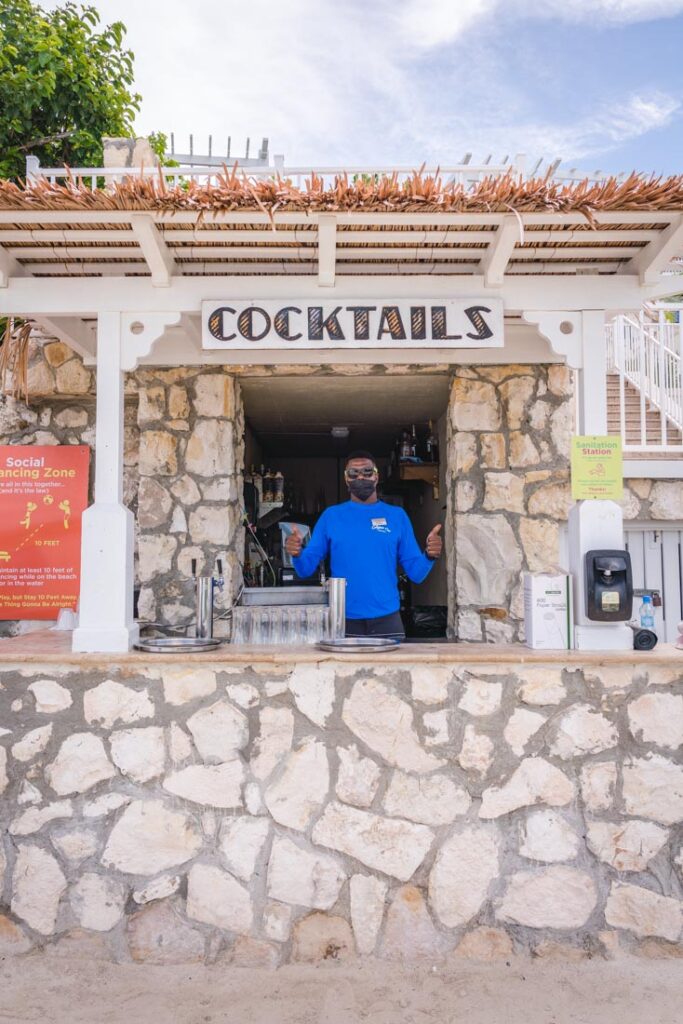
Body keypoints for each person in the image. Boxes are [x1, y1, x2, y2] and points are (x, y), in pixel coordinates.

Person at [285, 450, 442, 639]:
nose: (361, 476)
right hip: (343, 619)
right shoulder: (331, 517)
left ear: (376, 476)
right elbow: (305, 569)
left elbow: (416, 574)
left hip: (387, 619)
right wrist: (296, 553)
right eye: (353, 473)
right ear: (346, 479)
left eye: (367, 472)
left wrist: (430, 555)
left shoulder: (397, 516)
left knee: (392, 670)